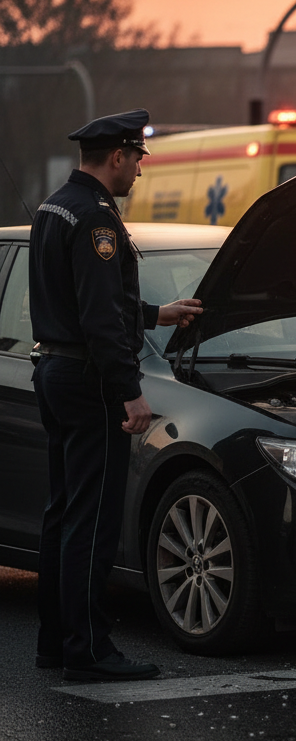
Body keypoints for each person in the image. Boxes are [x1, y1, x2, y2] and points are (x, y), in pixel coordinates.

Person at [29, 109, 203, 682]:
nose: (139, 173)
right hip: (89, 382)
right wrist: (130, 393)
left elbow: (82, 300)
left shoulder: (54, 207)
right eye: (137, 161)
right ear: (118, 157)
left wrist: (155, 313)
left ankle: (56, 643)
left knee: (63, 514)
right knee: (94, 520)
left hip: (55, 371)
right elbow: (99, 317)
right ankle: (90, 651)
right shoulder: (97, 220)